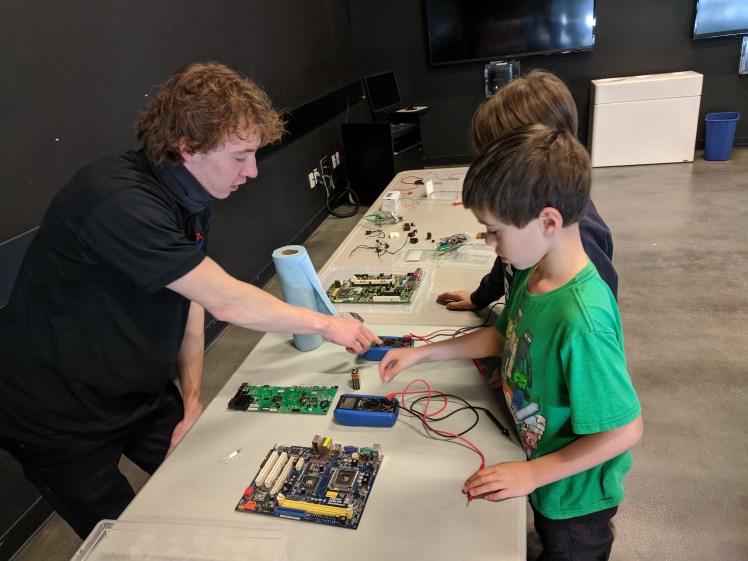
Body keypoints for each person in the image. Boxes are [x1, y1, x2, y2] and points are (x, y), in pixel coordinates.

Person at [0, 61, 380, 540]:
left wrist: (193, 401)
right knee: (126, 538)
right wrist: (326, 324)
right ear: (188, 147)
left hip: (137, 392)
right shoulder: (117, 200)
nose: (253, 170)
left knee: (210, 485)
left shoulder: (189, 197)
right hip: (57, 413)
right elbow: (227, 302)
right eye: (241, 156)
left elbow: (192, 301)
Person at [380, 124, 642, 561]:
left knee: (569, 549)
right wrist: (422, 354)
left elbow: (624, 431)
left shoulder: (582, 321)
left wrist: (533, 474)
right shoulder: (530, 272)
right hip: (539, 463)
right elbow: (503, 336)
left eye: (495, 230)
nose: (488, 242)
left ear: (548, 222)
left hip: (573, 497)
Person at [437, 70, 617, 318]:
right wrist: (481, 296)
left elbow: (597, 316)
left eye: (499, 164)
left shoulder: (582, 236)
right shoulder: (521, 214)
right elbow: (507, 260)